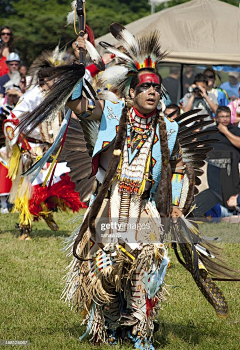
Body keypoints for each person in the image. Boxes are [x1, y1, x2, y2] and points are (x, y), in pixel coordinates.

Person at [19, 24, 235, 348]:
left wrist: (175, 203)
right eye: (145, 87)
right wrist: (84, 62)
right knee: (105, 269)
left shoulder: (168, 129)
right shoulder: (111, 113)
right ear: (132, 92)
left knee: (149, 260)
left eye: (156, 88)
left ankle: (139, 331)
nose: (152, 92)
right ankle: (105, 326)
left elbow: (178, 167)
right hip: (111, 201)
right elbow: (78, 106)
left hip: (144, 207)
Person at [3, 48, 86, 239]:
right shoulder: (32, 96)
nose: (57, 82)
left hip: (49, 148)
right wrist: (23, 148)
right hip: (30, 148)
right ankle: (25, 228)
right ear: (45, 80)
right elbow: (11, 120)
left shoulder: (56, 95)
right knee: (28, 189)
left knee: (53, 185)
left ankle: (45, 212)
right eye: (54, 79)